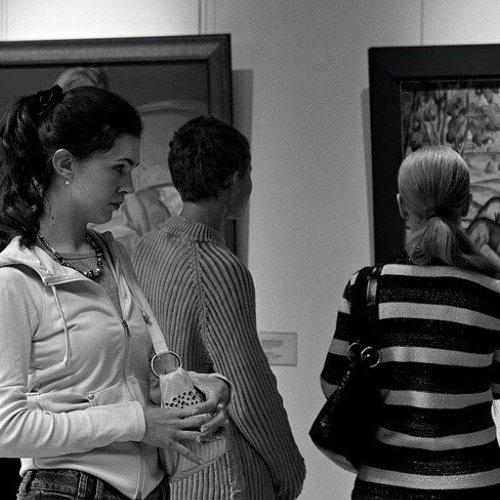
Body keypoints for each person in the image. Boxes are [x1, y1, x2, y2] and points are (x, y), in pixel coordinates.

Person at [0, 85, 230, 500]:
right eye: (119, 168)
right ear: (65, 164)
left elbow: (124, 381)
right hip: (65, 488)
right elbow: (6, 429)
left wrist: (204, 389)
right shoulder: (15, 280)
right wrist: (137, 423)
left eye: (132, 168)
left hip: (149, 487)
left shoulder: (114, 255)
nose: (129, 185)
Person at [132, 116, 306, 499]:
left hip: (165, 468)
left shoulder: (144, 248)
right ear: (233, 179)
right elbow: (248, 389)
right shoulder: (218, 268)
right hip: (220, 475)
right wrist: (290, 470)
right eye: (249, 174)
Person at [320, 145, 500, 499]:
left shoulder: (366, 287)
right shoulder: (492, 293)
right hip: (473, 483)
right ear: (466, 206)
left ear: (403, 206)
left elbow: (332, 383)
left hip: (385, 483)